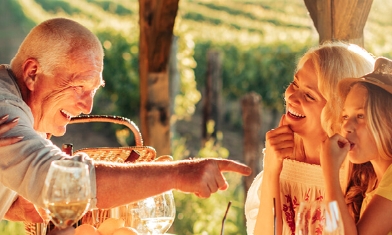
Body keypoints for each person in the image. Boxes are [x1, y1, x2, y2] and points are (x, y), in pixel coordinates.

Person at [0, 17, 251, 223]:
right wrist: (179, 174)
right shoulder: (5, 107)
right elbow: (59, 179)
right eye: (78, 86)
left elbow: (19, 192)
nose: (87, 107)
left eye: (94, 90)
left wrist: (23, 206)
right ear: (33, 73)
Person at [244, 41, 375, 235]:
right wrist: (272, 169)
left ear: (339, 111)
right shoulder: (281, 157)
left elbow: (335, 231)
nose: (291, 97)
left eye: (309, 95)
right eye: (294, 84)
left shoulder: (358, 175)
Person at [321, 56, 392, 235]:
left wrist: (329, 170)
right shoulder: (370, 184)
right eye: (345, 117)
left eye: (360, 116)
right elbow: (332, 229)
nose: (346, 126)